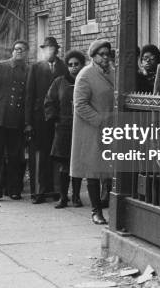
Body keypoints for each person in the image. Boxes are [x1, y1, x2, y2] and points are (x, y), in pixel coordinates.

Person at [71, 39, 115, 224]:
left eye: (107, 54)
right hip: (92, 129)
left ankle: (112, 208)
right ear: (93, 57)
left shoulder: (114, 73)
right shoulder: (85, 75)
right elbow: (80, 104)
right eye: (101, 54)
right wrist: (100, 120)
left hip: (112, 128)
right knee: (93, 171)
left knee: (111, 169)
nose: (105, 58)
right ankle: (96, 211)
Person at [0, 40, 29, 202]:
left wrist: (27, 121)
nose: (19, 52)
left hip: (17, 120)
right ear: (12, 51)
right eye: (16, 49)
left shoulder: (28, 70)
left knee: (15, 156)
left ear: (27, 52)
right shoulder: (0, 66)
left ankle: (14, 190)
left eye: (22, 50)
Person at [25, 36, 68, 204]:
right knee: (40, 156)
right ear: (42, 50)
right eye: (46, 49)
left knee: (56, 154)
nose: (49, 51)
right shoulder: (35, 68)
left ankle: (56, 190)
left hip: (58, 118)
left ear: (57, 50)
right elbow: (29, 95)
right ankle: (39, 191)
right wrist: (28, 122)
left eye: (52, 48)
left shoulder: (64, 67)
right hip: (39, 119)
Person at [44, 50, 85, 208]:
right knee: (64, 165)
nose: (73, 67)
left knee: (78, 164)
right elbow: (49, 101)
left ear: (82, 65)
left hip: (82, 127)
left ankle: (76, 196)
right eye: (70, 65)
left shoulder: (85, 80)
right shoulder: (59, 82)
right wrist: (55, 119)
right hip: (64, 128)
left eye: (77, 64)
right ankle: (63, 197)